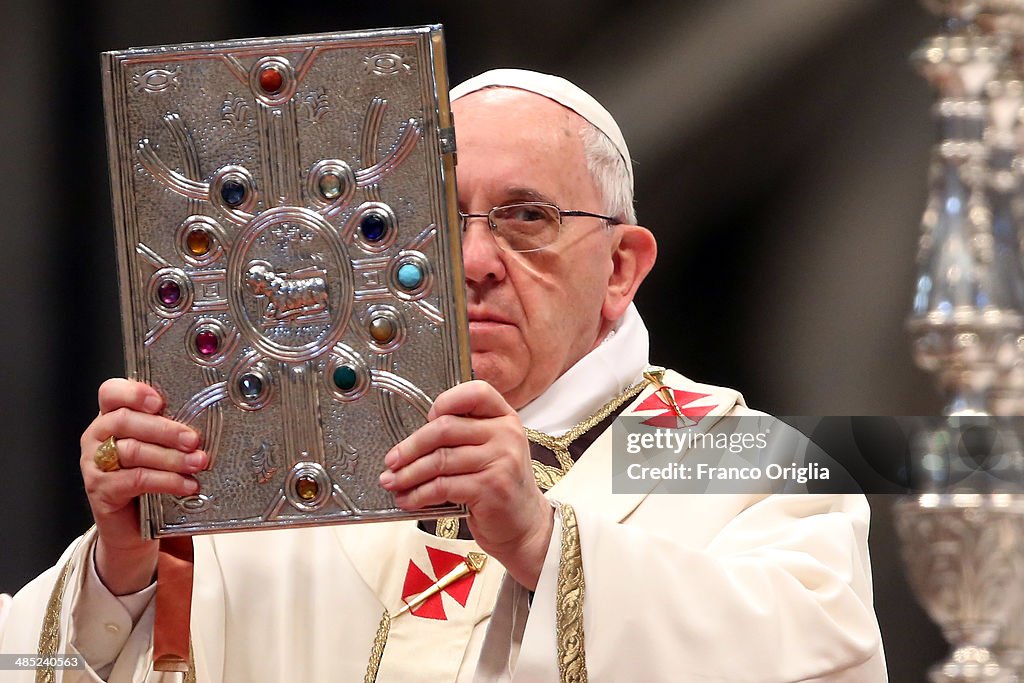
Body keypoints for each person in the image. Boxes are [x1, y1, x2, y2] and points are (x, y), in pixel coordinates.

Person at [0, 69, 887, 681]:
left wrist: (544, 543)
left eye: (527, 217)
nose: (471, 261)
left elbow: (823, 661)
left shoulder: (741, 462)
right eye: (434, 217)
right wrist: (120, 575)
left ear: (622, 267)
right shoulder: (271, 458)